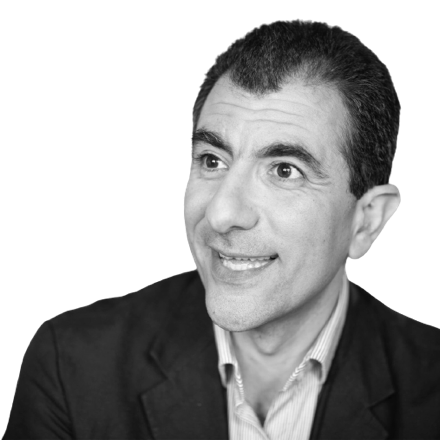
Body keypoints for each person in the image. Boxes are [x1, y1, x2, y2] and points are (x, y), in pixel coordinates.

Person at [4, 20, 440, 440]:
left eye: (284, 170)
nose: (221, 213)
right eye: (212, 160)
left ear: (367, 220)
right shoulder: (73, 363)